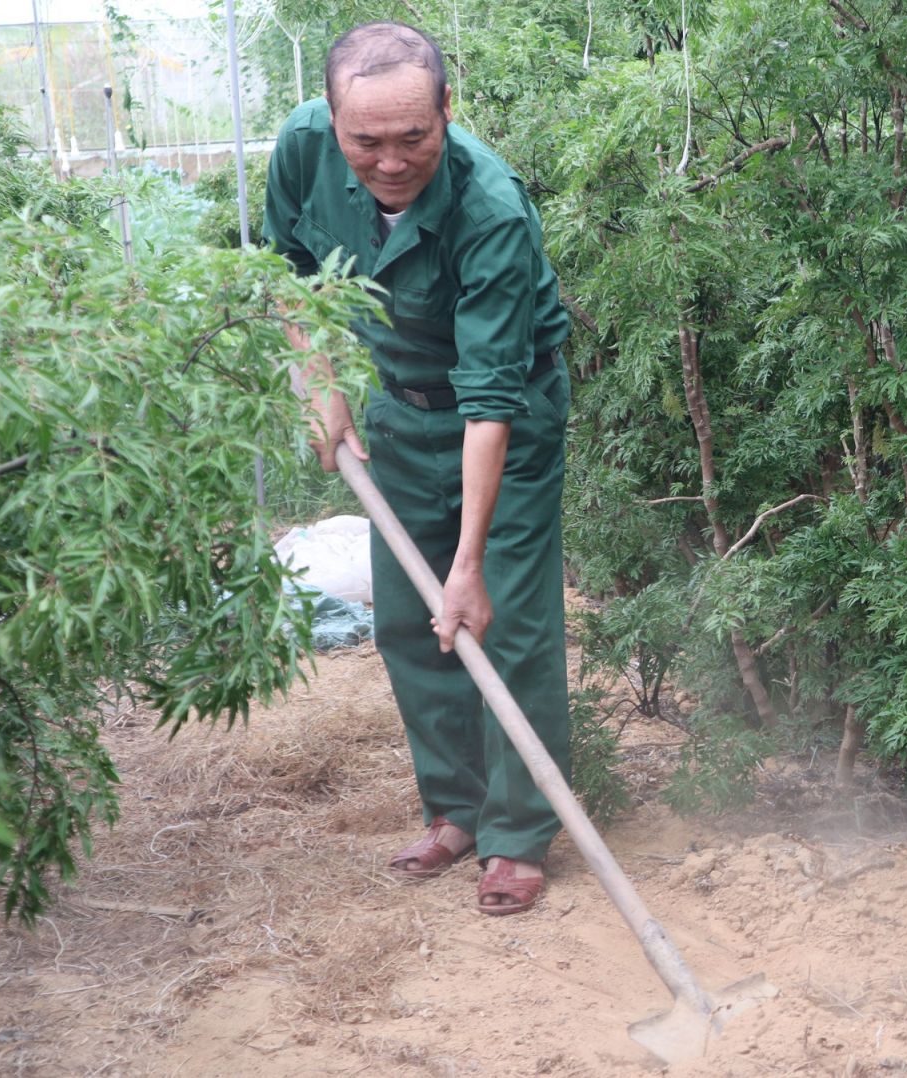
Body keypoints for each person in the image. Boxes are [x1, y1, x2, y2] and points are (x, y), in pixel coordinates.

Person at [262, 21, 571, 915]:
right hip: (399, 406)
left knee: (498, 619)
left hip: (506, 417)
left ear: (447, 110)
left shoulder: (492, 210)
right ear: (331, 117)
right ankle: (459, 810)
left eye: (413, 138)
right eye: (366, 141)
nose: (389, 162)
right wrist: (321, 383)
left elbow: (490, 397)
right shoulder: (303, 148)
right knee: (408, 619)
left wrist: (468, 566)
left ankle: (516, 835)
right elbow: (286, 274)